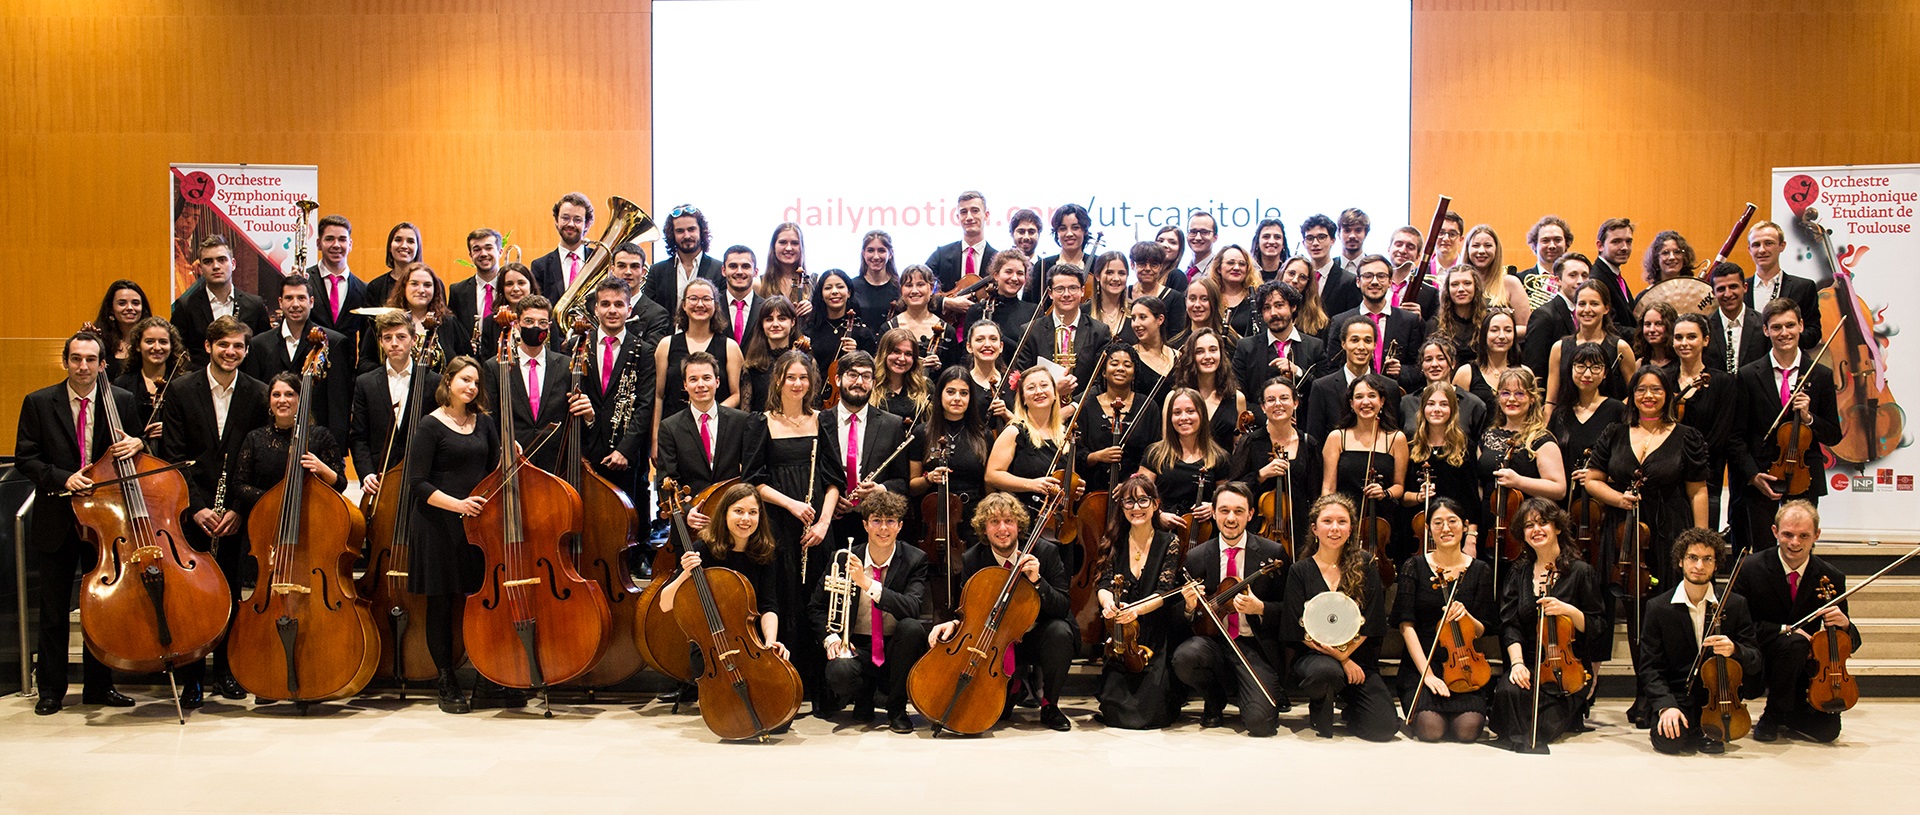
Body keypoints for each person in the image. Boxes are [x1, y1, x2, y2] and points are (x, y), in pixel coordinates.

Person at [15, 330, 142, 714]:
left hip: (105, 522)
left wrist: (138, 444)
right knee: (54, 610)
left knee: (100, 608)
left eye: (91, 359)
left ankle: (99, 687)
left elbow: (142, 452)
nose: (83, 366)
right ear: (65, 361)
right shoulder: (38, 402)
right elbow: (26, 457)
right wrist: (61, 477)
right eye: (75, 358)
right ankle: (51, 690)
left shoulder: (121, 400)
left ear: (103, 364)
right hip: (58, 517)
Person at [1584, 366, 1710, 723]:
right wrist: (1617, 498)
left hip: (1671, 533)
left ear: (1668, 394)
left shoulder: (1686, 436)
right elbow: (1593, 480)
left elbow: (1697, 490)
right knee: (1636, 615)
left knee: (1665, 614)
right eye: (1642, 389)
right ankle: (1645, 692)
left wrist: (1699, 545)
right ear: (1632, 395)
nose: (1649, 396)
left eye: (1657, 389)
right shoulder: (1615, 433)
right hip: (1625, 534)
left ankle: (1666, 695)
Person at [158, 315, 272, 705]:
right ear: (208, 347)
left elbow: (257, 457)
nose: (231, 352)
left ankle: (226, 671)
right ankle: (193, 677)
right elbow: (172, 457)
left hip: (236, 510)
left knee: (230, 591)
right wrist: (197, 508)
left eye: (239, 346)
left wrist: (239, 509)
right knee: (193, 596)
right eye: (224, 345)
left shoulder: (259, 394)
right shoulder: (181, 390)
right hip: (193, 509)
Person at [927, 493, 1076, 731]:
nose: (1002, 528)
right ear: (984, 529)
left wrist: (1038, 581)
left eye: (1008, 520)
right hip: (995, 643)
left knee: (1061, 631)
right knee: (1001, 714)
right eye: (994, 522)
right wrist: (954, 624)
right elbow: (969, 611)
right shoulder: (973, 558)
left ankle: (1049, 704)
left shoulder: (1045, 552)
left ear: (1019, 525)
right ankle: (1013, 686)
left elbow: (1062, 606)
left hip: (1036, 635)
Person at [406, 355, 498, 713]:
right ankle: (446, 681)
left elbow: (493, 471)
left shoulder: (484, 423)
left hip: (477, 529)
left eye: (475, 381)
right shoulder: (430, 425)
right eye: (464, 380)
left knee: (478, 603)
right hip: (438, 526)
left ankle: (489, 676)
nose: (471, 387)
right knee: (441, 604)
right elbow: (417, 483)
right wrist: (458, 505)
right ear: (448, 382)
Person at [1729, 500, 1860, 743]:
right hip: (1761, 659)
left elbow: (1850, 643)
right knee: (1794, 643)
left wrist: (1844, 625)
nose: (1795, 543)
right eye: (1787, 534)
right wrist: (1785, 630)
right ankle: (1773, 714)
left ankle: (1787, 711)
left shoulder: (1830, 576)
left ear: (1817, 535)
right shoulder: (1748, 568)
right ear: (1775, 532)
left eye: (1804, 535)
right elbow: (1737, 628)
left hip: (1802, 669)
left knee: (1827, 732)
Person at [1489, 498, 1607, 751]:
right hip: (1529, 661)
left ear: (1558, 528)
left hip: (1568, 666)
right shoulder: (1519, 572)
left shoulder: (1580, 571)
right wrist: (1517, 664)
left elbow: (1597, 625)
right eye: (1529, 525)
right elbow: (1510, 625)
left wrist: (1569, 610)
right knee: (1508, 696)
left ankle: (1570, 709)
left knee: (1541, 728)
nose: (1536, 530)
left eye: (1543, 523)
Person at [1172, 482, 1290, 735]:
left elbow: (1291, 611)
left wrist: (1260, 608)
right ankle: (1214, 699)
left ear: (1251, 514)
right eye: (1224, 510)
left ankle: (1252, 694)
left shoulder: (1273, 553)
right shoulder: (1197, 556)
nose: (1231, 518)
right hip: (1214, 643)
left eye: (1238, 511)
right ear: (1213, 513)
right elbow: (1178, 619)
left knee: (1261, 724)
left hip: (1254, 647)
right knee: (1186, 657)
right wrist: (1189, 606)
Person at [656, 483, 792, 701]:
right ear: (725, 513)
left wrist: (769, 642)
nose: (745, 519)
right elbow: (664, 603)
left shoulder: (764, 553)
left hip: (751, 642)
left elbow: (769, 605)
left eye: (752, 512)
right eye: (738, 511)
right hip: (711, 647)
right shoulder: (703, 549)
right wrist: (685, 574)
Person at [1728, 299, 1840, 556]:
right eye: (1776, 327)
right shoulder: (1748, 375)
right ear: (1766, 331)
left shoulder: (1819, 375)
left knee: (1800, 553)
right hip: (1764, 479)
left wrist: (1809, 417)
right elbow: (1736, 436)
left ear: (1801, 326)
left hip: (1805, 478)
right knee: (1764, 555)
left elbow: (1833, 434)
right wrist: (1754, 476)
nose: (1784, 333)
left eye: (1790, 325)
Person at [811, 491, 928, 733]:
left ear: (900, 526)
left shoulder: (915, 559)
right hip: (859, 646)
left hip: (896, 649)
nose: (883, 528)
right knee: (839, 672)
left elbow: (912, 607)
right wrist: (831, 638)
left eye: (890, 521)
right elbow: (816, 607)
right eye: (876, 520)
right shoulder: (842, 559)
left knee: (912, 628)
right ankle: (863, 698)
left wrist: (867, 584)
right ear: (865, 525)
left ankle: (897, 709)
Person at [1283, 494, 1397, 741]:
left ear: (1351, 529)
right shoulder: (1299, 571)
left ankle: (1352, 706)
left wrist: (1348, 656)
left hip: (1360, 658)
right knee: (1327, 671)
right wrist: (1342, 659)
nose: (1334, 528)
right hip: (1316, 658)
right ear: (1315, 528)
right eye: (1327, 521)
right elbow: (1298, 629)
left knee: (1384, 728)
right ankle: (1320, 701)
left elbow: (1372, 621)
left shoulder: (1366, 564)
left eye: (1342, 522)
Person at [1640, 528, 1762, 755]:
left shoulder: (1734, 604)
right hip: (1678, 695)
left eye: (1707, 559)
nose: (1699, 566)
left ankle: (1701, 729)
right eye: (1692, 558)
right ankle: (1694, 728)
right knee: (1668, 743)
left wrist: (1735, 649)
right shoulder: (1658, 608)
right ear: (1680, 561)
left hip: (1720, 698)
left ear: (1716, 565)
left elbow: (1755, 659)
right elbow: (1650, 667)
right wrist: (1666, 706)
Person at [1394, 497, 1496, 742]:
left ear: (1465, 526)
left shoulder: (1480, 569)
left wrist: (1466, 614)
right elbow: (1406, 625)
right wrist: (1427, 674)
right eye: (1438, 523)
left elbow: (1482, 630)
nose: (1446, 528)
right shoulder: (1414, 566)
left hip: (1465, 665)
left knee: (1468, 730)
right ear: (1428, 529)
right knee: (1431, 730)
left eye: (1452, 521)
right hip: (1423, 663)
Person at [811, 351, 913, 563]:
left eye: (866, 376)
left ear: (873, 383)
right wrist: (829, 498)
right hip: (827, 522)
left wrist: (880, 490)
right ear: (838, 379)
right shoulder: (819, 421)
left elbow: (903, 482)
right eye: (852, 375)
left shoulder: (892, 424)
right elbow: (812, 471)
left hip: (872, 523)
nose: (859, 382)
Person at [232, 372, 347, 550]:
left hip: (309, 527)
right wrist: (274, 500)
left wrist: (321, 468)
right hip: (265, 526)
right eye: (276, 395)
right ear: (269, 401)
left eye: (290, 394)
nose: (282, 400)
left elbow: (340, 483)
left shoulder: (320, 437)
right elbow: (239, 485)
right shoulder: (255, 438)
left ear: (301, 400)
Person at [479, 295, 592, 475]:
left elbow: (577, 418)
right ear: (516, 324)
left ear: (549, 326)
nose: (535, 327)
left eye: (542, 322)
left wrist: (589, 417)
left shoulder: (566, 366)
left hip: (555, 463)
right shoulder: (495, 367)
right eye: (529, 321)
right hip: (512, 463)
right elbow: (488, 418)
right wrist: (503, 445)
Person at [911, 366, 993, 613]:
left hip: (972, 518)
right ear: (940, 395)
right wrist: (929, 479)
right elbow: (912, 486)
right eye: (951, 392)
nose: (957, 398)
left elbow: (988, 484)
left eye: (964, 393)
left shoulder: (983, 435)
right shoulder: (923, 433)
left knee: (970, 579)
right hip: (935, 519)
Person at [656, 351, 765, 532]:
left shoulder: (742, 421)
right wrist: (687, 512)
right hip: (691, 521)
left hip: (733, 522)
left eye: (706, 378)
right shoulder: (669, 427)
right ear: (685, 385)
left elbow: (750, 475)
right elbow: (665, 480)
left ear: (717, 381)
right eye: (693, 379)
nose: (700, 385)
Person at [581, 278, 657, 531]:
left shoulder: (644, 351)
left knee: (629, 512)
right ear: (596, 309)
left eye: (618, 304)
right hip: (587, 445)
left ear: (629, 309)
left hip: (626, 449)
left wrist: (626, 449)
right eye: (605, 304)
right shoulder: (578, 347)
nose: (612, 310)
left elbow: (645, 404)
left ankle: (636, 557)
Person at [242, 274, 353, 446]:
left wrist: (336, 449)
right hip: (271, 442)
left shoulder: (334, 343)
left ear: (311, 301)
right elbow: (256, 401)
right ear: (280, 302)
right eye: (289, 298)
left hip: (317, 442)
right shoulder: (259, 345)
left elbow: (338, 405)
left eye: (301, 298)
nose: (295, 304)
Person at [1477, 367, 1568, 556]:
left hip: (1526, 526)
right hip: (1489, 525)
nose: (1511, 399)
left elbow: (1559, 489)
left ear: (1532, 398)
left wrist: (1518, 482)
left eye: (1519, 393)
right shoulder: (1488, 435)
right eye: (1505, 393)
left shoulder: (1542, 440)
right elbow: (1479, 482)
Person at [349, 311, 441, 497]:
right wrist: (366, 473)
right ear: (381, 342)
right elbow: (358, 436)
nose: (394, 343)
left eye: (401, 337)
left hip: (423, 478)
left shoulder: (433, 382)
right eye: (387, 338)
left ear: (414, 339)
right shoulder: (365, 383)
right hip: (380, 477)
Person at [1321, 374, 1410, 562]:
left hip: (1381, 523)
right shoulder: (1337, 437)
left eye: (1372, 396)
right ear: (1351, 403)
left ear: (1382, 401)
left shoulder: (1396, 438)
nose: (1366, 402)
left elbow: (1399, 487)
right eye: (1359, 397)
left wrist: (1384, 492)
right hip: (1345, 522)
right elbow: (1328, 488)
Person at [653, 278, 743, 453]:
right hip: (673, 432)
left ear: (715, 305)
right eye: (693, 299)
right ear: (684, 305)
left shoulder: (730, 347)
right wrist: (655, 438)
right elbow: (658, 395)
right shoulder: (666, 345)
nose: (699, 304)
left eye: (706, 299)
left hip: (716, 432)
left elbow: (736, 395)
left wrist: (706, 415)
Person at [1230, 376, 1319, 551]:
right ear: (1263, 407)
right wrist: (1261, 475)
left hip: (1298, 530)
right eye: (1271, 400)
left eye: (1284, 398)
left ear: (1295, 403)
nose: (1278, 404)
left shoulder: (1308, 443)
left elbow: (1315, 494)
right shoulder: (1250, 442)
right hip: (1258, 531)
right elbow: (1233, 490)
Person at [1672, 313, 1737, 529]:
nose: (1684, 343)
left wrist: (1688, 462)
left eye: (1691, 337)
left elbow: (1719, 436)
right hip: (1667, 480)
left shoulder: (1722, 382)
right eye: (1678, 337)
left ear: (1706, 340)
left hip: (1706, 481)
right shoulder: (1663, 379)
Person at [986, 366, 1076, 519]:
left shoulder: (1065, 435)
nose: (1039, 392)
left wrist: (1074, 488)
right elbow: (992, 475)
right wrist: (1032, 484)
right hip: (1022, 517)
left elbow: (1069, 477)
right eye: (1031, 388)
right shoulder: (1014, 431)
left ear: (1055, 394)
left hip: (1057, 520)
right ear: (1023, 398)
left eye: (1044, 385)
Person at [1326, 254, 1424, 394]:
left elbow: (1418, 368)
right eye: (1368, 276)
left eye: (1381, 276)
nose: (1375, 281)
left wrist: (1401, 371)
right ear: (1358, 282)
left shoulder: (1409, 321)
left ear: (1390, 282)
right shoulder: (1341, 321)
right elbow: (1332, 368)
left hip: (1394, 400)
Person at [1140, 388, 1232, 534]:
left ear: (1202, 414)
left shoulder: (1219, 457)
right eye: (1177, 413)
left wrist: (1213, 507)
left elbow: (1227, 499)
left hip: (1203, 534)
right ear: (1170, 418)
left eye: (1190, 411)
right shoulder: (1155, 453)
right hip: (1161, 533)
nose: (1183, 417)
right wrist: (1159, 516)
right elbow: (1140, 495)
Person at [1011, 264, 1111, 398]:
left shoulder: (1099, 331)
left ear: (1082, 291)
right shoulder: (1031, 331)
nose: (1066, 294)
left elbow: (1101, 382)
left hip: (1083, 413)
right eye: (1059, 289)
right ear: (1050, 293)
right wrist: (1053, 392)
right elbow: (1023, 380)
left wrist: (1073, 407)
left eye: (1073, 288)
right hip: (1041, 411)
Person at [172, 235, 272, 368]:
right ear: (200, 269)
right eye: (208, 262)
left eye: (222, 260)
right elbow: (177, 352)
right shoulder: (186, 306)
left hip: (244, 383)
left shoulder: (254, 305)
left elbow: (264, 350)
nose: (216, 266)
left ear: (233, 264)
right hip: (200, 384)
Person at [1078, 344, 1162, 496]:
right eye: (1114, 364)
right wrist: (1097, 456)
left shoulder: (1148, 407)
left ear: (1134, 373)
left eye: (1127, 365)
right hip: (1093, 494)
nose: (1121, 368)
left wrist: (1132, 484)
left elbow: (1155, 454)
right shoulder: (1087, 407)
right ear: (1103, 372)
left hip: (1136, 494)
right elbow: (1076, 453)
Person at [1303, 314, 1400, 440]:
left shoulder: (1390, 387)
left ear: (1375, 345)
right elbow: (1315, 439)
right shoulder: (1322, 387)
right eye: (1354, 340)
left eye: (1368, 341)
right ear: (1343, 343)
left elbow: (1393, 433)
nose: (1361, 347)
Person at [1405, 382, 1483, 536]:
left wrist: (1471, 536)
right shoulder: (1411, 446)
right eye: (1431, 404)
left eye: (1443, 404)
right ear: (1423, 409)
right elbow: (1404, 498)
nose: (1437, 409)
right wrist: (1419, 497)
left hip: (1455, 531)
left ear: (1452, 409)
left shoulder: (1465, 447)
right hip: (1418, 532)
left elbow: (1472, 497)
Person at [1545, 277, 1638, 407]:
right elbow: (1551, 401)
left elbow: (1635, 393)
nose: (1587, 310)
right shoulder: (1559, 348)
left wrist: (1614, 411)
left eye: (1594, 304)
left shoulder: (1620, 347)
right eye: (1582, 304)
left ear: (1606, 309)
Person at [1233, 281, 1323, 412]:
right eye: (1266, 308)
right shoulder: (1245, 347)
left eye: (1279, 305)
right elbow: (1239, 395)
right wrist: (1271, 418)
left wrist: (1298, 372)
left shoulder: (1315, 346)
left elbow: (1323, 393)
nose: (1273, 313)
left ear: (1293, 307)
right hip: (1261, 427)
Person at [1745, 221, 1822, 349]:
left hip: (1790, 365)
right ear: (1749, 250)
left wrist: (1785, 337)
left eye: (1769, 243)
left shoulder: (1804, 287)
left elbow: (1813, 333)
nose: (1762, 250)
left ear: (1782, 246)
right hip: (1750, 367)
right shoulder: (1740, 289)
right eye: (1756, 245)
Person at [370, 262, 459, 370]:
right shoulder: (386, 320)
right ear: (404, 287)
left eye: (427, 285)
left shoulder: (448, 322)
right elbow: (366, 362)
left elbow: (465, 361)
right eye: (414, 284)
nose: (421, 290)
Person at [1167, 328, 1244, 452]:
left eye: (1213, 350)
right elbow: (1168, 446)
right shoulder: (1173, 397)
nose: (1207, 356)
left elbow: (1239, 449)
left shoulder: (1237, 398)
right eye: (1199, 351)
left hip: (1225, 469)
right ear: (1191, 356)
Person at [112, 316, 187, 443]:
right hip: (135, 458)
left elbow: (195, 426)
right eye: (149, 341)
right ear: (137, 346)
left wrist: (171, 429)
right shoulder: (122, 384)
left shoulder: (184, 383)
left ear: (171, 346)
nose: (157, 347)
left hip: (173, 455)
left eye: (163, 342)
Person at [305, 214, 371, 355]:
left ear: (350, 244)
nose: (336, 245)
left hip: (347, 371)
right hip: (308, 365)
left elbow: (366, 340)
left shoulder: (363, 289)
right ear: (318, 243)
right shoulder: (304, 281)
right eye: (329, 239)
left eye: (342, 239)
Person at [645, 204, 725, 320]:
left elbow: (722, 313)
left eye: (691, 229)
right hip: (667, 337)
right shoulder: (657, 271)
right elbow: (649, 313)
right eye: (680, 231)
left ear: (701, 231)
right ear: (672, 235)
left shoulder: (719, 270)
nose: (687, 236)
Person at [1400, 338, 1486, 443]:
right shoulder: (1406, 403)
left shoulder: (1473, 404)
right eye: (1428, 359)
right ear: (1421, 366)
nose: (1434, 364)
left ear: (1453, 363)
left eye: (1441, 358)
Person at [803, 269, 878, 382]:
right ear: (821, 295)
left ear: (849, 292)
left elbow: (874, 369)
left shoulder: (862, 332)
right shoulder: (811, 330)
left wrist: (857, 354)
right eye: (828, 288)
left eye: (840, 287)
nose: (834, 291)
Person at [1522, 252, 1589, 378]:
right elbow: (1534, 368)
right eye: (1573, 275)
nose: (1580, 281)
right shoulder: (1544, 316)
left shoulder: (1586, 314)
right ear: (1557, 280)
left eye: (1585, 276)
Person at [1459, 225, 1532, 334]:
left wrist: (1494, 333)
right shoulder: (1456, 285)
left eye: (1488, 245)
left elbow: (1526, 327)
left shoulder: (1511, 283)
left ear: (1496, 250)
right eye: (1476, 245)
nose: (1481, 251)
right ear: (1468, 250)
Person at [447, 228, 507, 359]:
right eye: (477, 249)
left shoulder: (510, 288)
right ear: (470, 255)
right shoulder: (457, 291)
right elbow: (454, 332)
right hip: (471, 362)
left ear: (500, 251)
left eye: (488, 248)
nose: (483, 253)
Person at [886, 264, 957, 373]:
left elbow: (953, 373)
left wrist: (940, 368)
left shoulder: (947, 331)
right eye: (909, 285)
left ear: (931, 288)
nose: (914, 290)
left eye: (920, 285)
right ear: (901, 290)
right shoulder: (888, 328)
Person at [962, 249, 1039, 349]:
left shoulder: (1033, 312)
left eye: (1020, 273)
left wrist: (998, 335)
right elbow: (966, 352)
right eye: (1008, 272)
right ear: (996, 275)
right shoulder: (977, 310)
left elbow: (1031, 352)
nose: (1015, 278)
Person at [924, 191, 997, 296]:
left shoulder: (997, 258)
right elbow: (920, 283)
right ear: (958, 217)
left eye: (975, 211)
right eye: (963, 212)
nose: (969, 217)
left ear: (986, 215)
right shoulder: (941, 255)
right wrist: (944, 302)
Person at [602, 244, 674, 347]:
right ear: (612, 270)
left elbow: (650, 354)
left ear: (643, 272)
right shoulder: (594, 304)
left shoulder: (657, 315)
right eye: (622, 266)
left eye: (634, 266)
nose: (628, 272)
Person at [740, 295, 801, 413]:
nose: (775, 324)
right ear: (762, 324)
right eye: (769, 319)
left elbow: (813, 406)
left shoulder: (807, 362)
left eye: (782, 318)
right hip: (762, 428)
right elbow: (746, 412)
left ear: (793, 322)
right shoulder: (752, 365)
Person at [1706, 261, 1768, 376]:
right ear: (1713, 293)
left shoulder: (1763, 323)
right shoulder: (1704, 328)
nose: (1728, 294)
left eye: (1733, 286)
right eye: (1721, 289)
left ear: (1745, 287)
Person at [1456, 307, 1521, 412]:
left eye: (1508, 330)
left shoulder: (1525, 374)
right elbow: (1458, 418)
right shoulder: (1466, 373)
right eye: (1494, 330)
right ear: (1484, 334)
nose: (1501, 336)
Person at [531, 192, 593, 300]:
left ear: (586, 225)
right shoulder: (540, 266)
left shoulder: (599, 261)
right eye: (565, 218)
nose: (570, 224)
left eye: (577, 220)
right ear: (556, 221)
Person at [1126, 241, 1187, 341]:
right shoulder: (1123, 295)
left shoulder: (1174, 298)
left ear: (1161, 266)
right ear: (1132, 265)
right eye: (1142, 264)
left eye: (1154, 264)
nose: (1148, 269)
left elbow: (1177, 337)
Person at [92, 279, 152, 380]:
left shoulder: (153, 342)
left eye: (135, 303)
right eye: (122, 303)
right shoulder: (99, 342)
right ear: (111, 309)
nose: (129, 308)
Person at [1033, 204, 1094, 302]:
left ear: (1085, 231)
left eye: (1075, 227)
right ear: (1056, 232)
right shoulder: (1042, 266)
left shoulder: (1097, 265)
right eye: (1063, 228)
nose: (1069, 234)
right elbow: (1032, 305)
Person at [1301, 214, 1359, 316]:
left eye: (1321, 237)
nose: (1315, 243)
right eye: (1310, 238)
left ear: (1332, 240)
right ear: (1303, 243)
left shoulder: (1348, 281)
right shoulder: (1298, 278)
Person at [962, 319, 1014, 431]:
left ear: (1001, 346)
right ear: (969, 347)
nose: (987, 344)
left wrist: (1007, 415)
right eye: (980, 340)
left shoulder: (1012, 383)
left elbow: (1028, 426)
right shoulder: (962, 382)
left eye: (993, 339)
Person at [1429, 267, 1486, 366]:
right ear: (1447, 289)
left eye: (1467, 283)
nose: (1461, 289)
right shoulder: (1435, 324)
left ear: (1476, 287)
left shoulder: (1487, 322)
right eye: (1454, 284)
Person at [363, 222, 424, 314]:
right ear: (390, 247)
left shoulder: (432, 285)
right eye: (398, 240)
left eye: (410, 241)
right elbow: (367, 326)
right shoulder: (375, 287)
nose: (404, 246)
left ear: (417, 248)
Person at [1590, 218, 1639, 331]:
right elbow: (1610, 327)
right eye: (1616, 241)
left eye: (1628, 241)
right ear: (1600, 246)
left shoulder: (1614, 275)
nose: (1624, 248)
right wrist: (1645, 336)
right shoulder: (1597, 280)